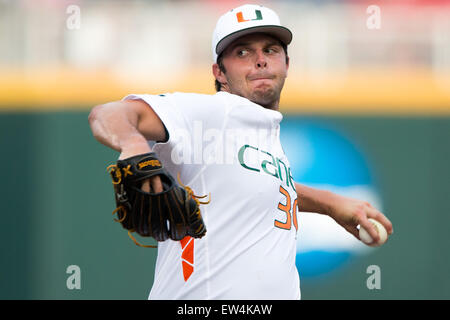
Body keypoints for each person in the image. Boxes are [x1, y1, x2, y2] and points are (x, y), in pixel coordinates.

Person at [88, 4, 393, 299]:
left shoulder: (263, 132)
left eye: (270, 49)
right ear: (219, 72)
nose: (260, 60)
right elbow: (108, 114)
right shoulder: (209, 113)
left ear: (287, 64)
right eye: (242, 52)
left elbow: (257, 183)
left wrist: (329, 203)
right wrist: (135, 147)